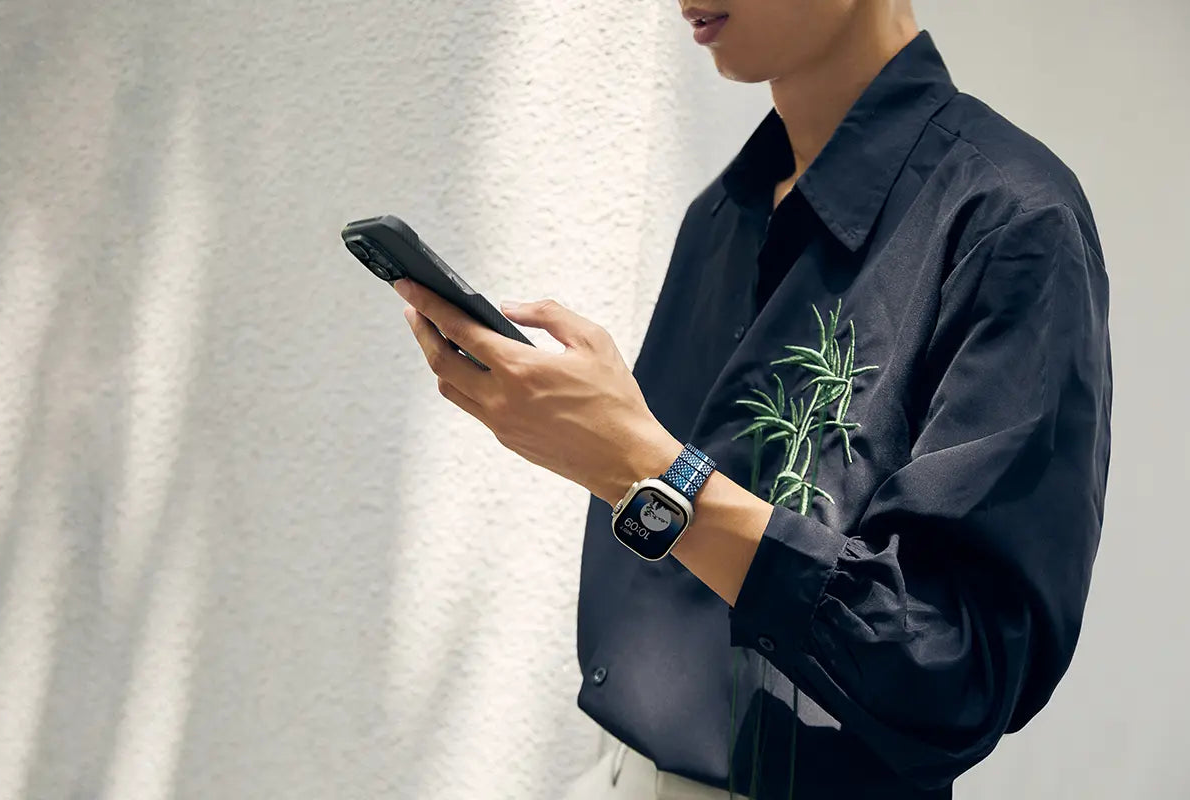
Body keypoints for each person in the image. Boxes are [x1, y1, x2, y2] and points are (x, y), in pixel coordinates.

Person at [391, 0, 1112, 797]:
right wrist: (604, 455)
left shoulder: (1009, 221)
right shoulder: (722, 213)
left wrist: (644, 467)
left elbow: (958, 666)